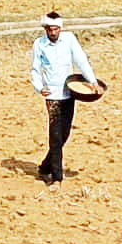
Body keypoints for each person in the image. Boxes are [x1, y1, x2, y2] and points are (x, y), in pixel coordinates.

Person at [30, 11, 100, 185]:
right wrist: (39, 87)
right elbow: (35, 69)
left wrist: (92, 82)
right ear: (45, 29)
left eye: (56, 29)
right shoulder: (39, 44)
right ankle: (57, 178)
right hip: (52, 95)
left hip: (69, 93)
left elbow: (81, 61)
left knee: (64, 134)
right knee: (55, 135)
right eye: (50, 29)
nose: (53, 32)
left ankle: (45, 167)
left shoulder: (69, 39)